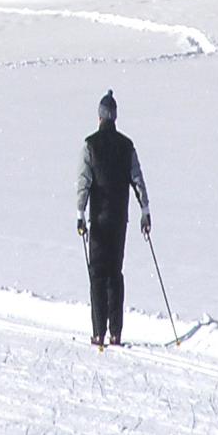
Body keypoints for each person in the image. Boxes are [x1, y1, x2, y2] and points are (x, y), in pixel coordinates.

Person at [77, 90, 151, 347]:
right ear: (115, 117)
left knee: (97, 274)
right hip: (120, 221)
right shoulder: (126, 145)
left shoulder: (90, 144)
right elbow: (138, 180)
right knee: (115, 274)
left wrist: (80, 215)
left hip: (98, 220)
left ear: (99, 117)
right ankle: (116, 332)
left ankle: (98, 332)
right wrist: (145, 211)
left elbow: (84, 183)